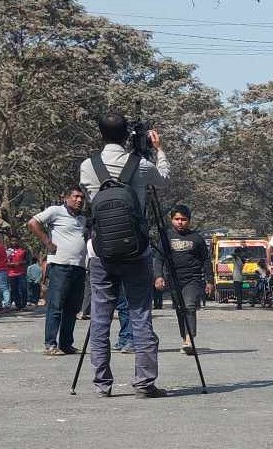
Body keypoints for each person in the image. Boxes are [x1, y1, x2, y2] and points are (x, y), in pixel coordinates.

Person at [78, 112, 171, 398]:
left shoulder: (87, 166)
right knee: (140, 314)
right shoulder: (141, 164)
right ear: (126, 136)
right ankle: (144, 382)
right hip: (137, 252)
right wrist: (159, 150)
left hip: (100, 252)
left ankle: (102, 384)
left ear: (100, 134)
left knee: (101, 317)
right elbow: (164, 179)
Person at [28, 186, 88, 356]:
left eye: (81, 197)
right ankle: (50, 344)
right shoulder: (56, 211)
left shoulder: (82, 219)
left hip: (79, 266)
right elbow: (33, 223)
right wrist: (47, 242)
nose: (79, 200)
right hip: (60, 265)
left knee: (72, 307)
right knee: (56, 305)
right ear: (66, 198)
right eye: (75, 197)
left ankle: (66, 343)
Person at [155, 204, 211, 353]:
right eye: (177, 219)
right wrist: (158, 276)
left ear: (189, 221)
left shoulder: (196, 238)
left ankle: (189, 339)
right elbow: (159, 258)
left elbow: (206, 260)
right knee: (180, 309)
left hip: (192, 279)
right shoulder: (166, 237)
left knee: (189, 306)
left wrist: (209, 281)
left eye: (184, 219)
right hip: (174, 280)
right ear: (172, 220)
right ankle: (184, 337)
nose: (180, 222)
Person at [4, 232, 29, 311]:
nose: (14, 242)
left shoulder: (23, 250)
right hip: (11, 273)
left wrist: (20, 263)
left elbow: (27, 261)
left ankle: (23, 304)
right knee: (14, 290)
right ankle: (18, 305)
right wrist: (10, 264)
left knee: (23, 289)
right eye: (12, 241)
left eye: (15, 241)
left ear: (18, 241)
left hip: (21, 273)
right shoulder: (8, 251)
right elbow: (4, 261)